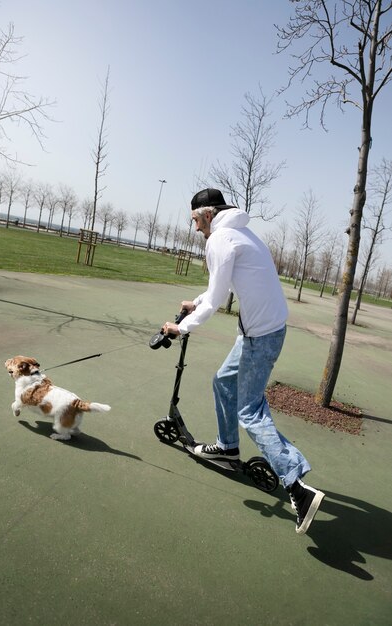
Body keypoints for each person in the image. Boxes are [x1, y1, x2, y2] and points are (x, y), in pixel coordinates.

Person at [162, 188, 325, 535]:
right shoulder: (241, 233)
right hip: (264, 330)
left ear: (207, 214)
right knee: (223, 381)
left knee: (250, 411)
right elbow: (221, 285)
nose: (194, 228)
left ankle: (296, 486)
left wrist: (180, 327)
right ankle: (227, 447)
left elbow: (218, 300)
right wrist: (196, 300)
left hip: (259, 336)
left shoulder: (220, 240)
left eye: (194, 220)